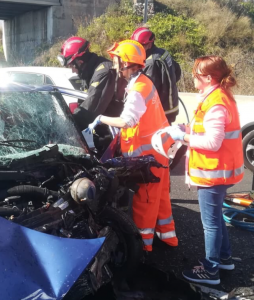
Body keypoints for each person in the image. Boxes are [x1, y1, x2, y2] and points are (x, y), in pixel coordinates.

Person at [87, 40, 177, 252]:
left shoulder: (138, 89)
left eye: (117, 61)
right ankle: (168, 237)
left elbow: (128, 121)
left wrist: (101, 118)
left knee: (144, 201)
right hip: (158, 152)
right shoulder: (144, 82)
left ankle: (143, 246)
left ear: (126, 63)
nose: (115, 65)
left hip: (147, 157)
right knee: (160, 197)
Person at [161, 55, 244, 285]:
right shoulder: (218, 96)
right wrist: (185, 127)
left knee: (210, 224)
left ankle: (210, 270)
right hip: (221, 171)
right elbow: (208, 129)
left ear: (207, 78)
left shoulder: (216, 103)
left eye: (196, 75)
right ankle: (224, 258)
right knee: (216, 218)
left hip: (213, 173)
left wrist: (183, 137)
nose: (193, 78)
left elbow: (212, 142)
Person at [57, 37, 126, 154]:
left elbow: (90, 109)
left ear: (80, 61)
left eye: (72, 66)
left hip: (118, 136)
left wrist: (67, 127)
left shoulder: (104, 72)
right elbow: (83, 103)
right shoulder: (89, 73)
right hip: (105, 133)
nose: (73, 71)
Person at [130, 27, 182, 125]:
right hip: (171, 106)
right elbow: (177, 71)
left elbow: (147, 90)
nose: (137, 49)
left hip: (162, 110)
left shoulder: (151, 62)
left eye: (141, 46)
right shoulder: (163, 53)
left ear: (149, 44)